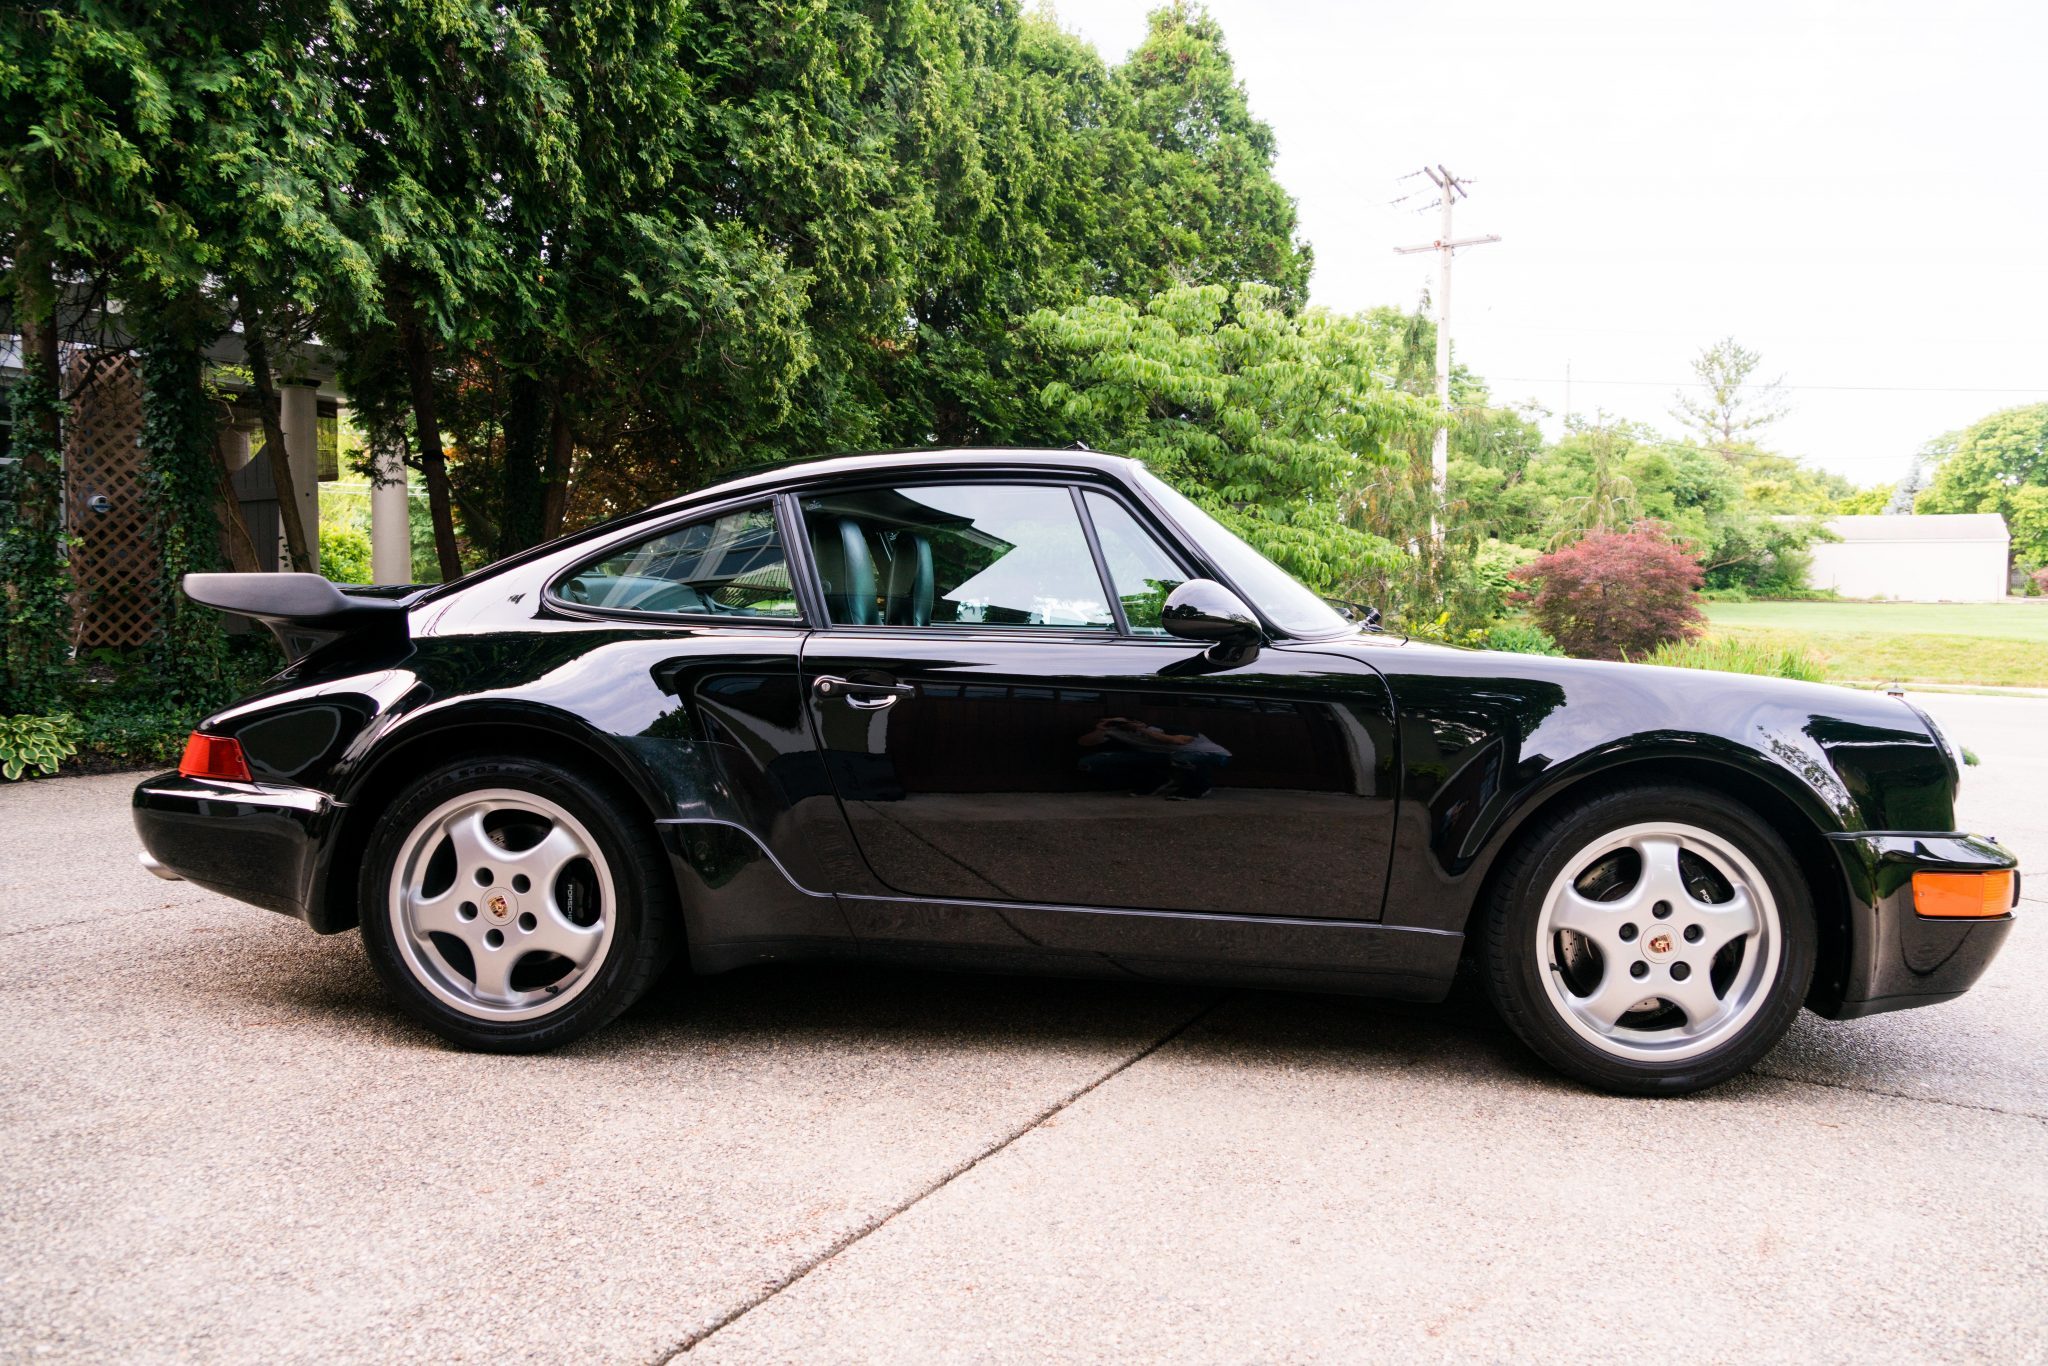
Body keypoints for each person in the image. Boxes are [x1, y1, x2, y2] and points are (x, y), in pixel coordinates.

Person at [1076, 716, 1231, 799]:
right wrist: (1100, 729)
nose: (1120, 726)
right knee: (1091, 762)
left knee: (1181, 757)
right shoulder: (1116, 734)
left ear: (1138, 722)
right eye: (1114, 723)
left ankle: (1198, 787)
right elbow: (1084, 743)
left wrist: (1143, 731)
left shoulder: (1165, 729)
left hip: (1214, 756)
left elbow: (1177, 741)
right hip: (1166, 757)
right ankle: (1157, 781)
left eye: (1123, 723)